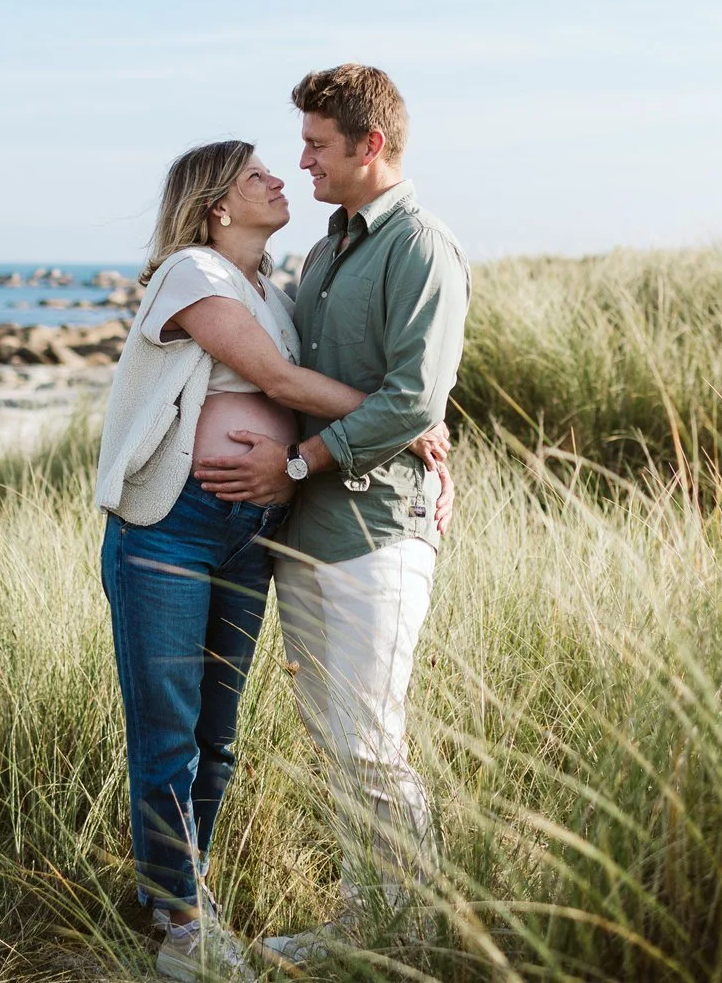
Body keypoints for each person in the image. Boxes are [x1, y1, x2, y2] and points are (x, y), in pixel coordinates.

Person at [93, 138, 448, 981]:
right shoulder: (189, 272)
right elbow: (279, 383)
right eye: (258, 174)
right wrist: (408, 418)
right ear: (217, 203)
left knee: (219, 739)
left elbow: (296, 377)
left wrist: (404, 420)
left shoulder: (274, 289)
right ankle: (185, 929)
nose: (279, 178)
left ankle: (172, 897)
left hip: (250, 532)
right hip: (171, 524)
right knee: (170, 730)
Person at [196, 65, 471, 966]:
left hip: (375, 530)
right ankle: (366, 921)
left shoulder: (421, 248)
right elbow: (311, 376)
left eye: (317, 145)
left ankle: (411, 936)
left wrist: (304, 458)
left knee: (371, 737)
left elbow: (412, 395)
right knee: (336, 739)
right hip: (301, 533)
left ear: (371, 145)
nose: (302, 161)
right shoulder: (323, 251)